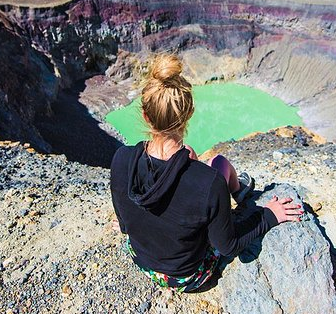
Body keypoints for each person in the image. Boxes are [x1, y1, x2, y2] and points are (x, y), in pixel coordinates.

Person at [110, 53, 303, 292]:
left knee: (213, 164)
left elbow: (126, 226)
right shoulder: (208, 183)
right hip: (186, 277)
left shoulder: (121, 160)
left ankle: (239, 190)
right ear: (188, 114)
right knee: (218, 163)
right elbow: (228, 246)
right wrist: (269, 215)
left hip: (143, 261)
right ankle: (241, 193)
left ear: (146, 115)